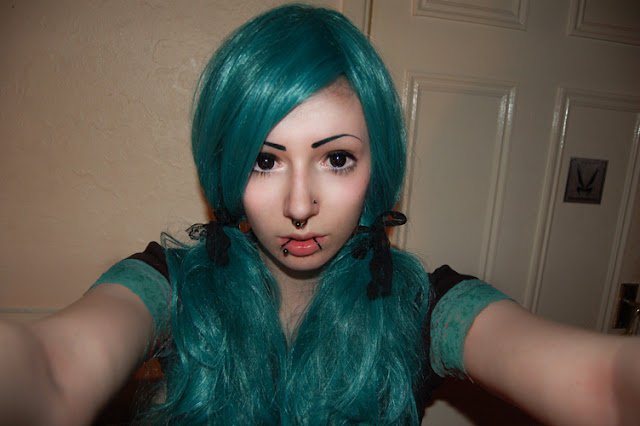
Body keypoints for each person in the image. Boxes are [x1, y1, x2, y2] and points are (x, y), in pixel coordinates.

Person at [1, 4, 639, 425]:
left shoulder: (423, 306)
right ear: (225, 168)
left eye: (336, 159)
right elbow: (50, 370)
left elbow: (604, 384)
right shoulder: (172, 285)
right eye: (264, 160)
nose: (300, 206)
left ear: (377, 168)